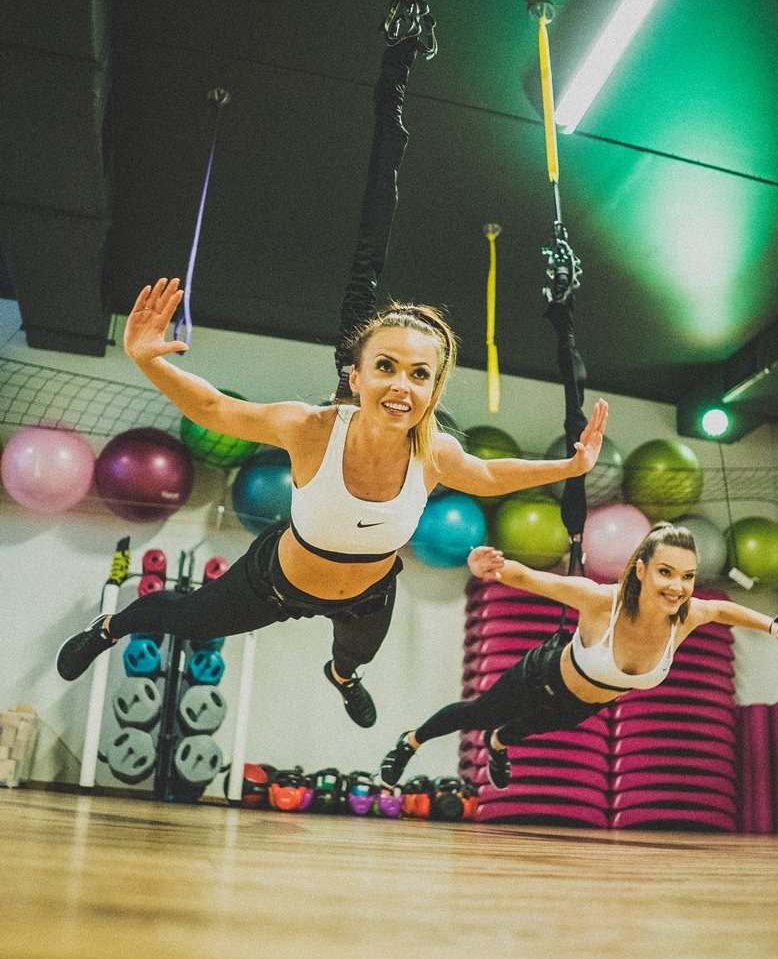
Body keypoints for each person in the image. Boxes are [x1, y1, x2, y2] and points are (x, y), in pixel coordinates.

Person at [56, 275, 608, 725]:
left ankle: (342, 678)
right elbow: (216, 410)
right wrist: (149, 360)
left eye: (420, 375)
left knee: (355, 656)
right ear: (357, 374)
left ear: (433, 389)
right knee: (190, 619)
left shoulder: (434, 452)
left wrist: (570, 466)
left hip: (366, 593)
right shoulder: (312, 428)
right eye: (386, 367)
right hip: (274, 582)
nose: (401, 386)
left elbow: (487, 474)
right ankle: (109, 628)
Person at [377, 521, 778, 785]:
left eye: (687, 575)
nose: (677, 586)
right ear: (641, 570)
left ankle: (497, 745)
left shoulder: (688, 615)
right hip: (541, 676)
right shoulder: (600, 601)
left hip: (584, 704)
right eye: (665, 572)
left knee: (519, 732)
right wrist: (489, 567)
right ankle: (409, 743)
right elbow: (533, 579)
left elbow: (722, 608)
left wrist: (774, 625)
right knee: (480, 712)